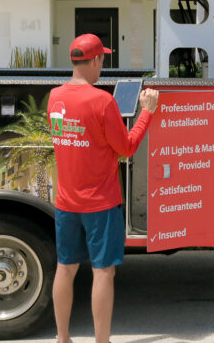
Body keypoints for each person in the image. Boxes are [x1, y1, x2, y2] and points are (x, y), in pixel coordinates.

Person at [49, 33, 158, 343]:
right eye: (102, 60)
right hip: (101, 204)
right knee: (103, 272)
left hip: (66, 203)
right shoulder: (102, 100)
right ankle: (102, 341)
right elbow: (126, 147)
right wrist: (147, 110)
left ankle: (62, 338)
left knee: (65, 268)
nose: (103, 67)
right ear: (94, 60)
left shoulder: (55, 97)